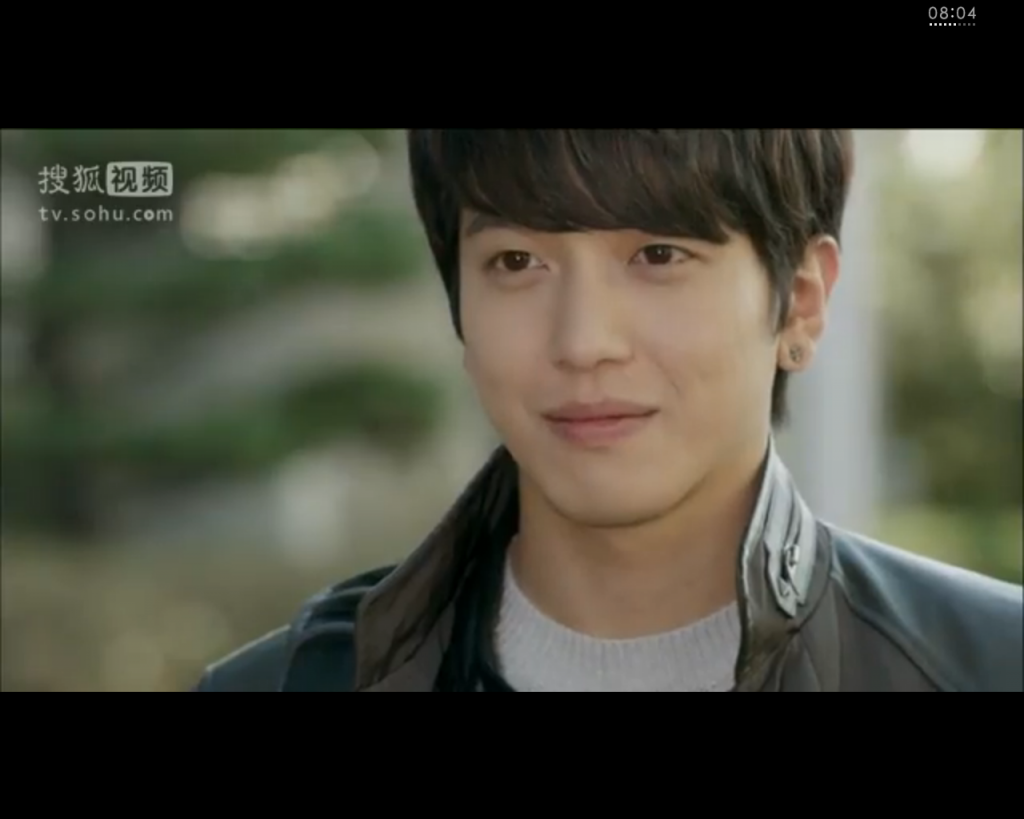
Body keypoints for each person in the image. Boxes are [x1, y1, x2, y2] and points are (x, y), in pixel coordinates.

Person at [193, 129, 1023, 692]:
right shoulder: (290, 683)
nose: (584, 341)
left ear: (800, 301)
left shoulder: (987, 665)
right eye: (516, 261)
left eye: (658, 254)